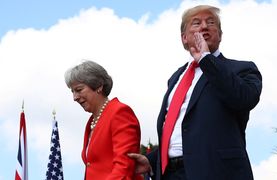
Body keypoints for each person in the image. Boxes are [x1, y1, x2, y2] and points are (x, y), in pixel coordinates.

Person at [128, 5, 262, 180]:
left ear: (220, 35)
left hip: (216, 172)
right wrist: (152, 160)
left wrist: (207, 59)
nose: (204, 27)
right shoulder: (176, 78)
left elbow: (244, 99)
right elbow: (179, 129)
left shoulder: (242, 69)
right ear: (184, 38)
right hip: (171, 175)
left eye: (211, 22)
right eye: (196, 23)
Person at [65, 60, 143, 180]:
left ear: (98, 86)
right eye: (73, 91)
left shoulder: (119, 112)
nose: (75, 97)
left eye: (79, 90)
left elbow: (123, 167)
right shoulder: (91, 122)